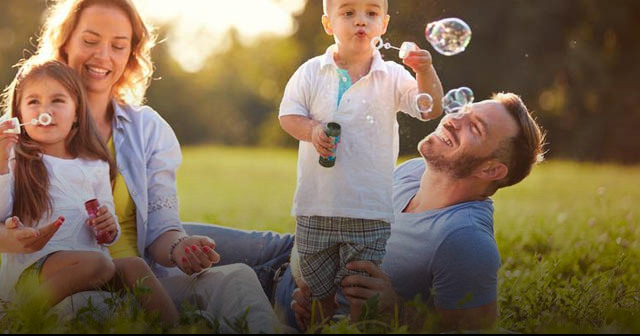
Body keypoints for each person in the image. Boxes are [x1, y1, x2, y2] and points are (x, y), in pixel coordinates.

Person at [0, 0, 279, 332]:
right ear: (66, 41)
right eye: (90, 40)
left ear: (131, 55)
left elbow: (161, 230)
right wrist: (15, 239)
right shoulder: (19, 129)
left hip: (140, 285)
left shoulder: (148, 129)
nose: (103, 56)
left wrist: (180, 247)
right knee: (91, 310)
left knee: (237, 278)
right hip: (67, 287)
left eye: (118, 46)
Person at [209, 92, 544, 331]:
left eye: (476, 128)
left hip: (289, 310)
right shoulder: (415, 171)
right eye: (464, 111)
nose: (454, 119)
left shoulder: (465, 240)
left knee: (180, 288)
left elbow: (476, 331)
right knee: (165, 241)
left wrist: (394, 312)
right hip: (286, 254)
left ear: (491, 171)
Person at [278, 0, 443, 322]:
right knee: (316, 292)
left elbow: (429, 108)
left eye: (371, 13)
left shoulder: (393, 76)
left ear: (384, 24)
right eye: (348, 12)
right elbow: (288, 115)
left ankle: (360, 326)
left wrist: (425, 71)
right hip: (316, 206)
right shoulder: (311, 72)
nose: (360, 21)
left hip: (369, 209)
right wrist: (311, 131)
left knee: (361, 292)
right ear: (328, 24)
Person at [0, 60, 178, 325]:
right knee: (99, 264)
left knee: (135, 267)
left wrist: (108, 227)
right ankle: (16, 316)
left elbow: (107, 234)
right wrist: (1, 160)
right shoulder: (18, 160)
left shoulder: (94, 165)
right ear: (19, 115)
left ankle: (177, 327)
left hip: (91, 266)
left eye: (57, 101)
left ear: (76, 112)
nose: (45, 110)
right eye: (33, 102)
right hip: (35, 270)